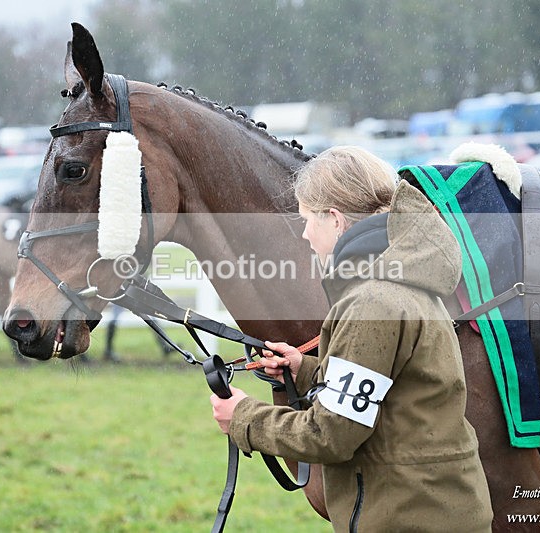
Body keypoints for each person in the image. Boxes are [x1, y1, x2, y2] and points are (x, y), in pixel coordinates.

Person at [210, 146, 493, 532]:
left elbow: (330, 434)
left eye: (308, 219)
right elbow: (394, 388)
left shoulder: (371, 300)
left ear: (337, 220)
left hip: (407, 519)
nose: (306, 234)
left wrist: (243, 417)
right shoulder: (406, 277)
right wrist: (305, 370)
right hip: (435, 512)